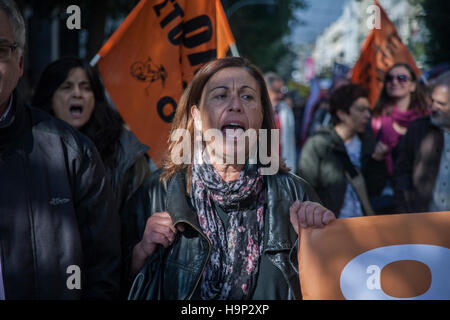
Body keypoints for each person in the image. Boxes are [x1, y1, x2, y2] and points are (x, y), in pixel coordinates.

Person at [125, 57, 335, 300]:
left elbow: (329, 285)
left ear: (261, 116)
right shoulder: (156, 193)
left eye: (247, 97)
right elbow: (111, 282)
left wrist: (319, 243)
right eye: (221, 95)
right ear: (198, 116)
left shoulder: (296, 195)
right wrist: (141, 253)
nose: (235, 105)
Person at [0, 0, 120, 299]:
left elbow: (105, 271)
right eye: (66, 87)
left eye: (0, 50)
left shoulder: (75, 154)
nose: (77, 95)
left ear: (20, 62)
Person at [31, 57, 157, 297]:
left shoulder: (125, 155)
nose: (77, 94)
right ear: (49, 95)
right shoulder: (25, 147)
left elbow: (136, 231)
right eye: (67, 87)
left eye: (86, 87)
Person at [298, 84, 388, 218]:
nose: (368, 115)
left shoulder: (369, 143)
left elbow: (374, 190)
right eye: (361, 110)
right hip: (331, 227)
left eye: (368, 110)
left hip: (364, 226)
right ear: (342, 114)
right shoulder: (318, 145)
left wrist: (377, 162)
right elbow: (305, 191)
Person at [393, 71, 450, 213]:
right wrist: (407, 210)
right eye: (432, 100)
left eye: (441, 103)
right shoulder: (418, 129)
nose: (434, 107)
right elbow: (401, 173)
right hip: (422, 222)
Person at [371, 63, 428, 176]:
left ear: (413, 86)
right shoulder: (375, 118)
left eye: (402, 78)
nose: (395, 82)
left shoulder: (427, 118)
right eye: (389, 78)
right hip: (387, 186)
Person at [264, 72, 297, 171]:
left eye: (282, 91)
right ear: (266, 90)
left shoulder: (286, 110)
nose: (280, 95)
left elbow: (290, 142)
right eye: (276, 91)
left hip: (283, 167)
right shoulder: (255, 111)